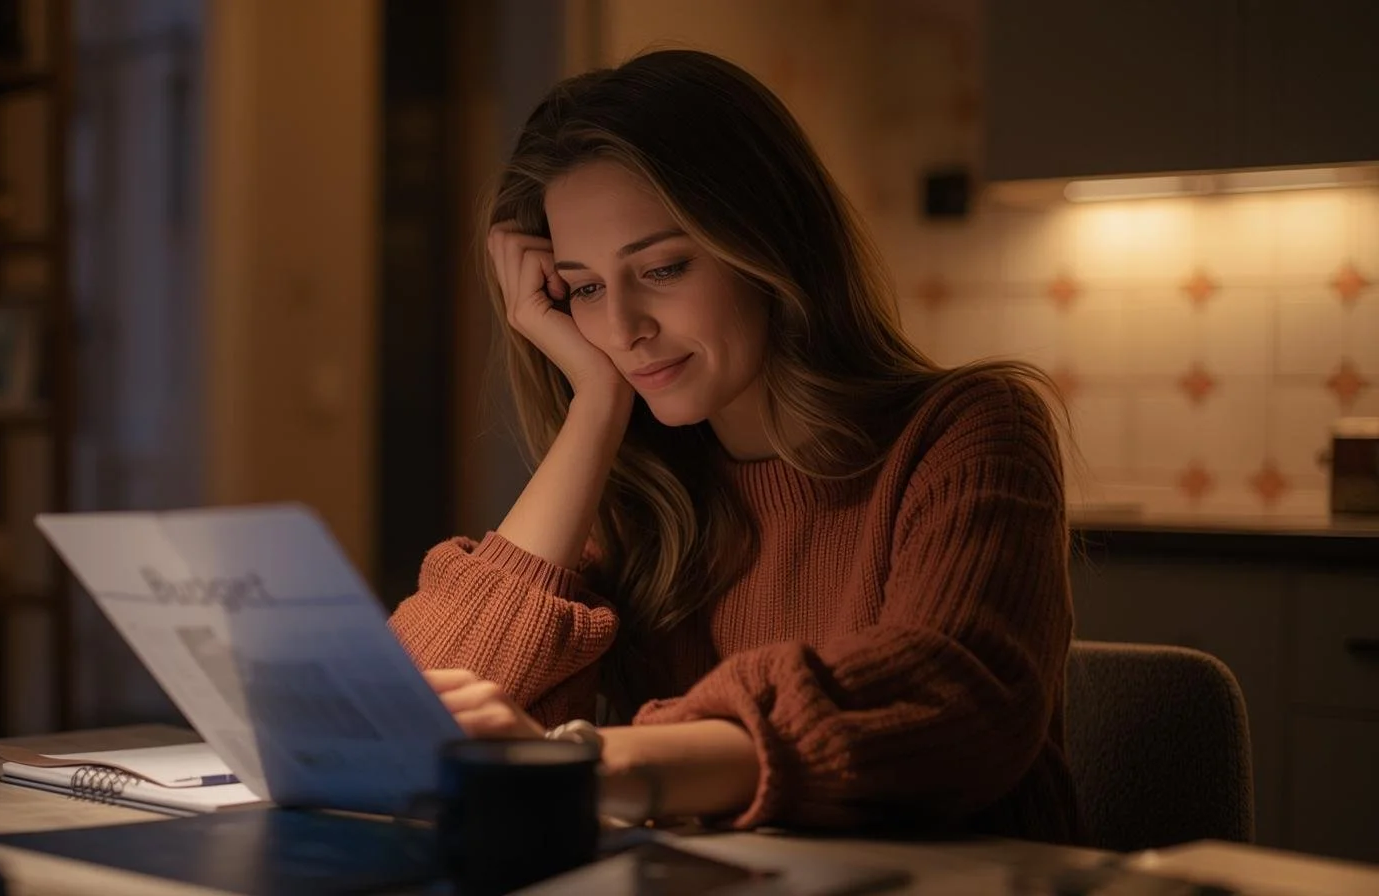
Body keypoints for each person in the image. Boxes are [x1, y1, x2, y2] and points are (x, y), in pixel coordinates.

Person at [389, 48, 1080, 843]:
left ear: (769, 244)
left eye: (663, 268)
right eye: (584, 288)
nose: (621, 328)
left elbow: (951, 702)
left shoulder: (969, 429)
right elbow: (414, 718)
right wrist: (596, 405)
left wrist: (592, 764)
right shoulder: (639, 493)